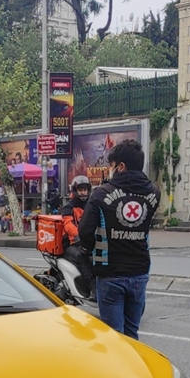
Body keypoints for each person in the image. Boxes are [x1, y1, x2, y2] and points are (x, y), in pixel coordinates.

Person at [77, 139, 161, 340]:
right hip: (140, 272)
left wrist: (88, 249)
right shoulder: (154, 193)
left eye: (111, 165)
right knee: (132, 335)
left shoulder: (100, 194)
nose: (109, 169)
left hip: (110, 273)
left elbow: (85, 232)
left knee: (114, 338)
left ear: (121, 166)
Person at [60, 177, 96, 299]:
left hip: (89, 241)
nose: (83, 192)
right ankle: (93, 289)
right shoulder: (69, 207)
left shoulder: (92, 205)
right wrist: (80, 234)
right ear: (75, 191)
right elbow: (68, 224)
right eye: (80, 190)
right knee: (83, 257)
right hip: (73, 244)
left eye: (85, 190)